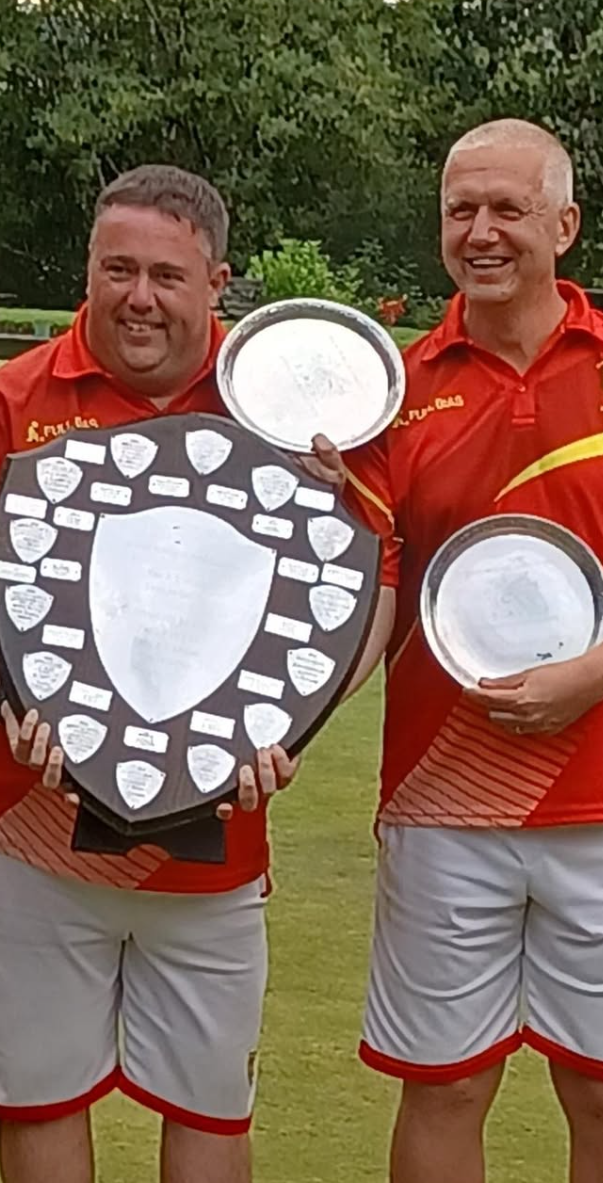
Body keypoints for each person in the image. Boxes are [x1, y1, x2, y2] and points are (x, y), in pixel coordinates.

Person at [0, 164, 383, 1183]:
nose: (138, 297)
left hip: (217, 834)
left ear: (216, 281)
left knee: (208, 1108)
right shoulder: (5, 403)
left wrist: (294, 721)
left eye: (167, 276)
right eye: (117, 269)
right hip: (28, 820)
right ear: (87, 270)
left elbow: (366, 587)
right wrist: (2, 702)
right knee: (41, 1099)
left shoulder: (290, 414)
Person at [344, 118, 603, 1183]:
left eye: (507, 209)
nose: (481, 232)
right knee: (446, 1083)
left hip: (598, 798)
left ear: (564, 225)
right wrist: (270, 724)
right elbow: (366, 595)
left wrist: (593, 673)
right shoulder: (391, 392)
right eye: (461, 211)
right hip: (441, 796)